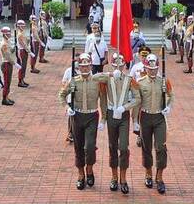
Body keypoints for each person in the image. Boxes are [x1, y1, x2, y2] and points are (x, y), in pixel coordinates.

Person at [58, 52, 109, 190]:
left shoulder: (97, 81)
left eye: (87, 66)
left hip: (92, 116)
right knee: (78, 147)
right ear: (79, 67)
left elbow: (103, 100)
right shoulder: (74, 81)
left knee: (90, 146)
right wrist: (66, 107)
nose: (85, 68)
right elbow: (62, 94)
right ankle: (81, 174)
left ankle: (90, 169)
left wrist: (104, 118)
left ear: (91, 66)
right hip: (77, 116)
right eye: (82, 66)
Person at [98, 53, 139, 194]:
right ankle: (114, 177)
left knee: (123, 147)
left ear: (124, 65)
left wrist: (125, 107)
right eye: (116, 65)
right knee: (112, 146)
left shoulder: (130, 79)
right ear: (113, 65)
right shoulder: (108, 77)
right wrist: (110, 73)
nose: (119, 67)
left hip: (123, 115)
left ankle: (123, 178)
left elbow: (137, 98)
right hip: (110, 115)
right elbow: (94, 77)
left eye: (121, 65)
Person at [136, 53, 174, 194]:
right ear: (145, 68)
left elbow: (171, 95)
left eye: (155, 68)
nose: (153, 71)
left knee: (161, 147)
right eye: (150, 68)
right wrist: (135, 122)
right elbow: (136, 102)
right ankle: (148, 173)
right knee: (146, 148)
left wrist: (168, 106)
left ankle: (159, 177)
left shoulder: (163, 81)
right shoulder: (140, 82)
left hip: (159, 118)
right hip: (145, 117)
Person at [0, 26, 18, 106]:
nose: (9, 34)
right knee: (7, 82)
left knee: (9, 81)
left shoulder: (7, 42)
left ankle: (6, 96)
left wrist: (14, 48)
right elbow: (7, 56)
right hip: (6, 63)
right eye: (8, 33)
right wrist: (15, 63)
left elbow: (10, 52)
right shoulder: (4, 44)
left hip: (8, 63)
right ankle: (4, 98)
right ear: (4, 34)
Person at [16, 20, 32, 87]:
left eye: (23, 25)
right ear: (19, 26)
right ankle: (20, 81)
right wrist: (29, 51)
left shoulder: (23, 33)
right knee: (22, 66)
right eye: (21, 25)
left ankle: (22, 79)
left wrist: (28, 40)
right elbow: (23, 44)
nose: (23, 27)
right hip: (22, 50)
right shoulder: (20, 34)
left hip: (25, 50)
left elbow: (26, 42)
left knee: (24, 66)